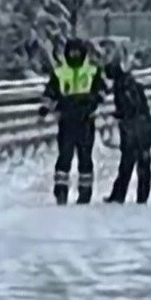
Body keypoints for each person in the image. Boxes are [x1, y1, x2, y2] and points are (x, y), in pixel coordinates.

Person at [40, 38, 107, 205]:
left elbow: (102, 89)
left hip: (85, 120)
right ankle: (61, 190)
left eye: (78, 52)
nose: (75, 55)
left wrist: (94, 101)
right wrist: (45, 107)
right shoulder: (59, 72)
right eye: (72, 52)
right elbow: (50, 91)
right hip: (66, 120)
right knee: (64, 156)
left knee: (85, 158)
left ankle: (85, 192)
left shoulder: (92, 70)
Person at [104, 61, 151, 204]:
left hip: (136, 129)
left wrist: (119, 114)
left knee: (131, 163)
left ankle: (124, 196)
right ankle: (136, 196)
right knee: (137, 163)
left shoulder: (124, 86)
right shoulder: (128, 83)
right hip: (142, 127)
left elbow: (131, 108)